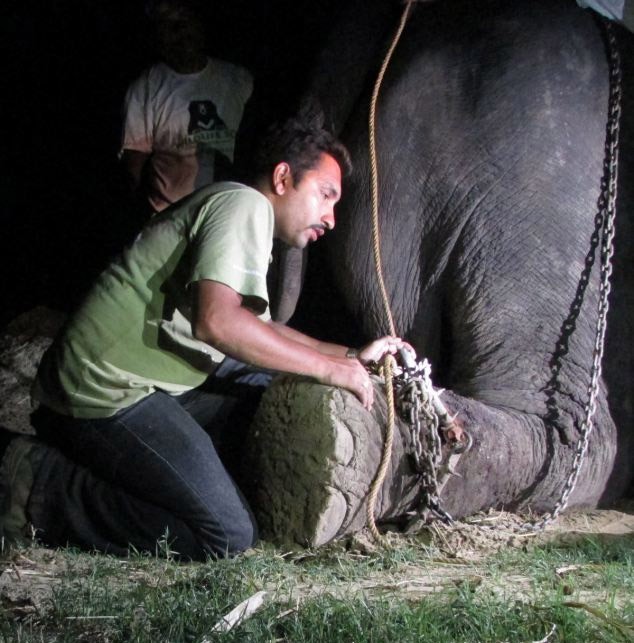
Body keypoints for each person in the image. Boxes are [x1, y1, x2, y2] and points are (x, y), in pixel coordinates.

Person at [0, 116, 411, 560]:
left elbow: (263, 331)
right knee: (227, 536)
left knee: (260, 393)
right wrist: (332, 369)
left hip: (147, 383)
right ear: (282, 177)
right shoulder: (242, 206)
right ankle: (36, 483)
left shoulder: (244, 216)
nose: (331, 219)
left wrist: (351, 354)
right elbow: (217, 323)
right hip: (102, 391)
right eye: (326, 196)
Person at [120, 0, 253, 213]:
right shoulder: (146, 87)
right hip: (170, 215)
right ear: (158, 37)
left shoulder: (238, 80)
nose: (180, 31)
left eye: (185, 19)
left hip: (226, 211)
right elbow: (134, 162)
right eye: (168, 24)